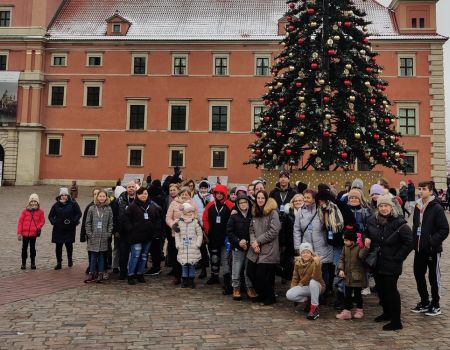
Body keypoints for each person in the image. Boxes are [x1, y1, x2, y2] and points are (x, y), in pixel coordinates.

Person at [365, 194, 413, 331]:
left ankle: (396, 321)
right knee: (381, 290)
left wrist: (398, 257)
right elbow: (366, 232)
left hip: (392, 262)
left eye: (386, 205)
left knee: (391, 291)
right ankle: (386, 313)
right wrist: (366, 238)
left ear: (391, 207)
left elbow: (409, 243)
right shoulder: (372, 220)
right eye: (381, 205)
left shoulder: (399, 222)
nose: (384, 208)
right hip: (377, 261)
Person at [411, 181, 449, 316]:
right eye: (419, 188)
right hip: (419, 249)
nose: (421, 191)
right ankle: (425, 301)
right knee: (418, 274)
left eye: (424, 189)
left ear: (431, 190)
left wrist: (432, 242)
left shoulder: (436, 207)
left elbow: (444, 229)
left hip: (432, 250)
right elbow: (416, 226)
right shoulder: (417, 205)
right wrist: (414, 242)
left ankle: (436, 304)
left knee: (434, 278)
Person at [293, 189, 333, 298]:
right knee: (308, 273)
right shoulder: (301, 211)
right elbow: (296, 229)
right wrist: (298, 247)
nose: (305, 200)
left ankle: (323, 294)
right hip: (307, 247)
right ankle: (311, 296)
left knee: (322, 271)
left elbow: (328, 226)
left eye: (308, 197)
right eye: (304, 197)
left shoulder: (321, 209)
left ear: (314, 199)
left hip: (322, 245)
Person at [246, 190, 281, 305]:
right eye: (258, 198)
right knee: (250, 272)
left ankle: (270, 296)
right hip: (255, 249)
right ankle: (262, 294)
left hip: (268, 249)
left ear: (266, 199)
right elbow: (251, 229)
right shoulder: (255, 211)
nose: (260, 200)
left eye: (262, 198)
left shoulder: (272, 213)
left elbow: (274, 230)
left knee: (261, 275)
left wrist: (258, 241)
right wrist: (253, 242)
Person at [124, 187, 163, 285]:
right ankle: (131, 274)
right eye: (141, 194)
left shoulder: (152, 206)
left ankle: (140, 273)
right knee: (135, 255)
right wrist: (131, 229)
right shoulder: (132, 206)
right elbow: (126, 220)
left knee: (144, 256)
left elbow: (158, 219)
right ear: (137, 195)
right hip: (135, 236)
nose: (143, 195)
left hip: (148, 236)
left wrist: (156, 231)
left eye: (145, 193)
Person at [203, 184, 234, 291]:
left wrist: (230, 234)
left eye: (221, 193)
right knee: (214, 257)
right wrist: (207, 231)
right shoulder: (210, 205)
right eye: (217, 193)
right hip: (213, 236)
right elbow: (205, 218)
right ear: (215, 194)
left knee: (225, 259)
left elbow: (234, 220)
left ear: (225, 194)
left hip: (226, 238)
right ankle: (214, 276)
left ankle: (227, 280)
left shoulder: (230, 205)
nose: (219, 195)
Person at [166, 186, 199, 285]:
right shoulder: (174, 203)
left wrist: (193, 223)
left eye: (187, 194)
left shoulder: (193, 203)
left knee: (188, 256)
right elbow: (168, 217)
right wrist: (173, 225)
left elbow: (196, 216)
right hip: (176, 234)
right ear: (179, 194)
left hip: (189, 235)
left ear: (190, 195)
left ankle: (188, 277)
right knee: (176, 255)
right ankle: (177, 276)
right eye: (183, 194)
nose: (184, 196)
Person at [335, 226, 369, 320]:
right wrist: (341, 269)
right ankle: (347, 311)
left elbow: (362, 256)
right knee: (348, 295)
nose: (344, 242)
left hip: (357, 276)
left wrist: (366, 248)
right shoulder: (345, 248)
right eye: (344, 240)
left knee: (358, 295)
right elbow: (341, 259)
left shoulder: (358, 247)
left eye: (346, 240)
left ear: (352, 240)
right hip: (347, 276)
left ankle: (359, 310)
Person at [226, 193, 256, 300]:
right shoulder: (234, 216)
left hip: (250, 247)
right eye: (240, 203)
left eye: (245, 202)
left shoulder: (252, 215)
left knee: (248, 269)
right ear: (237, 205)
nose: (243, 204)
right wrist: (238, 242)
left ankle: (249, 287)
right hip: (238, 246)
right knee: (236, 268)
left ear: (248, 203)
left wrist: (249, 242)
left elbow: (254, 230)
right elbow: (229, 232)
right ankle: (236, 287)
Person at [285, 242, 325, 320]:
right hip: (305, 286)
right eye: (303, 252)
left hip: (318, 286)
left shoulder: (316, 262)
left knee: (313, 282)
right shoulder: (297, 263)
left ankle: (314, 308)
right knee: (289, 294)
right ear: (300, 254)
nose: (305, 254)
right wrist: (293, 289)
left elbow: (317, 277)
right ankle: (307, 302)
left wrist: (317, 265)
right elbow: (295, 278)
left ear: (311, 253)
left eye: (308, 252)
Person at [48, 188, 82, 270]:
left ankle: (70, 258)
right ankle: (59, 262)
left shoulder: (73, 203)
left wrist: (74, 221)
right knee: (58, 245)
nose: (63, 196)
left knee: (69, 244)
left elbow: (79, 213)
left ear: (68, 195)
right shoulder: (56, 205)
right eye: (62, 195)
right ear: (59, 196)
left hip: (69, 227)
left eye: (65, 195)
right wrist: (54, 222)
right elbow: (50, 216)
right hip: (58, 228)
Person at [84, 190, 114, 283]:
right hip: (94, 236)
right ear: (97, 197)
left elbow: (111, 223)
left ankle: (100, 273)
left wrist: (108, 234)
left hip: (104, 237)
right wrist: (89, 234)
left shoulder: (108, 209)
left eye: (103, 196)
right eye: (100, 196)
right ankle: (92, 273)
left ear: (106, 197)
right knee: (93, 256)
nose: (101, 198)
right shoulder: (92, 208)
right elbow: (88, 222)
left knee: (102, 256)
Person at [173, 202, 203, 288]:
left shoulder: (195, 222)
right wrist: (178, 244)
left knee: (192, 265)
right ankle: (185, 280)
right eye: (188, 212)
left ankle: (191, 280)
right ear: (184, 212)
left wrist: (197, 244)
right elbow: (177, 234)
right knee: (184, 265)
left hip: (193, 247)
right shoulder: (179, 222)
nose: (190, 214)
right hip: (183, 247)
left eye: (191, 212)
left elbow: (199, 234)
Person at [280, 193, 304, 282]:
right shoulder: (288, 214)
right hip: (290, 243)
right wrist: (283, 243)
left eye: (300, 200)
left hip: (303, 242)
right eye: (296, 201)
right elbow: (283, 230)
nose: (298, 202)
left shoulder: (306, 213)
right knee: (292, 264)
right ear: (292, 203)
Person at [17, 194, 45, 270]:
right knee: (24, 248)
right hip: (25, 233)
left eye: (35, 201)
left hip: (33, 233)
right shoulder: (25, 211)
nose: (33, 203)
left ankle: (33, 262)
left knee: (32, 248)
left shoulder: (40, 212)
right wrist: (19, 233)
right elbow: (20, 222)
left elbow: (42, 221)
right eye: (32, 201)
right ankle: (23, 263)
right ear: (29, 202)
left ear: (37, 202)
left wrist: (38, 227)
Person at [192, 180, 213, 279]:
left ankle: (214, 270)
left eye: (205, 188)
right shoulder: (195, 198)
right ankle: (203, 269)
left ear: (208, 188)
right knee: (202, 248)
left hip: (210, 226)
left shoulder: (212, 197)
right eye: (201, 188)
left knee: (212, 248)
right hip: (199, 225)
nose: (203, 190)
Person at [116, 181, 136, 280]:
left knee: (135, 253)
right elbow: (116, 215)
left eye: (133, 187)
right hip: (122, 231)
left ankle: (133, 272)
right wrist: (116, 230)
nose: (131, 188)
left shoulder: (139, 199)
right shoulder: (120, 199)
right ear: (126, 188)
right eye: (129, 187)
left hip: (135, 231)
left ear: (135, 188)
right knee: (123, 253)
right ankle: (123, 272)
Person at [80, 188, 101, 274]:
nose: (96, 196)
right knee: (91, 251)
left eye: (98, 194)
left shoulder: (105, 207)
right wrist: (83, 234)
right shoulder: (89, 206)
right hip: (91, 234)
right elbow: (85, 221)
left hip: (101, 234)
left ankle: (100, 267)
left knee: (101, 252)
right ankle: (91, 265)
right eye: (95, 194)